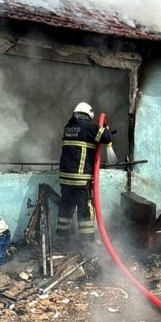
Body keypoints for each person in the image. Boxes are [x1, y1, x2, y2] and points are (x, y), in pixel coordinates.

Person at [56, 102, 113, 247]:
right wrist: (105, 128)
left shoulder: (68, 127)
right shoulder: (89, 127)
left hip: (65, 178)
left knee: (66, 207)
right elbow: (106, 137)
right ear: (88, 114)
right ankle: (87, 241)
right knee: (85, 209)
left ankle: (61, 238)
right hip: (81, 179)